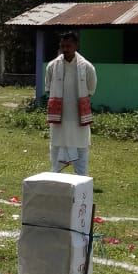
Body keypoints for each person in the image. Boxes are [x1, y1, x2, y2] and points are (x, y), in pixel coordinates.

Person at [45, 31, 97, 176]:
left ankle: (82, 182)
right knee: (56, 148)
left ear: (76, 46)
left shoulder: (87, 67)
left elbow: (91, 89)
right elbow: (49, 88)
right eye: (63, 46)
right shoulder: (52, 66)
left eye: (68, 46)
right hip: (59, 120)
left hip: (78, 119)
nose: (65, 49)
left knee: (81, 149)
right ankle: (56, 179)